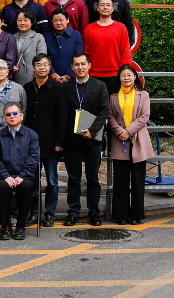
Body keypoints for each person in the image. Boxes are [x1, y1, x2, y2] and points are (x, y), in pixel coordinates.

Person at [63, 53, 110, 227]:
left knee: (93, 178)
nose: (80, 67)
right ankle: (73, 212)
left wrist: (92, 130)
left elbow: (104, 111)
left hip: (93, 139)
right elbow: (62, 113)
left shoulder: (100, 86)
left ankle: (94, 213)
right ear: (72, 67)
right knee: (73, 178)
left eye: (83, 64)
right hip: (72, 140)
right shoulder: (66, 87)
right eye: (77, 64)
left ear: (89, 65)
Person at [24, 54, 67, 227]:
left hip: (51, 143)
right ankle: (34, 213)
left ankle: (50, 213)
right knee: (32, 181)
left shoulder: (58, 88)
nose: (42, 67)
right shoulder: (27, 88)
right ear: (33, 67)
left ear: (50, 67)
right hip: (30, 144)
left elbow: (63, 117)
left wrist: (59, 142)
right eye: (38, 64)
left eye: (45, 64)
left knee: (52, 181)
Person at [108, 64, 154, 225]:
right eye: (123, 75)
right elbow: (110, 116)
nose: (126, 78)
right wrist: (120, 131)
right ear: (119, 78)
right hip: (119, 140)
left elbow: (145, 116)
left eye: (129, 75)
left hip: (138, 140)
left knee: (137, 181)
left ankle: (136, 215)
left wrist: (128, 131)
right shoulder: (113, 96)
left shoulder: (144, 95)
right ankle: (121, 215)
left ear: (135, 77)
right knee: (120, 180)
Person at [0, 102, 41, 241]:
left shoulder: (31, 135)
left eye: (15, 113)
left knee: (25, 187)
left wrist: (21, 176)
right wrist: (6, 176)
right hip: (5, 176)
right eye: (8, 114)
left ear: (21, 116)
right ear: (4, 118)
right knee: (0, 187)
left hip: (25, 176)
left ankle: (21, 225)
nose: (12, 116)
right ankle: (5, 225)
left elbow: (34, 157)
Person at [83, 0, 131, 93]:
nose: (105, 7)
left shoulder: (121, 28)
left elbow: (126, 52)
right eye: (102, 5)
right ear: (97, 8)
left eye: (108, 5)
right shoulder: (89, 29)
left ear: (113, 8)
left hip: (115, 74)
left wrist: (124, 71)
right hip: (94, 74)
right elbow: (86, 53)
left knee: (114, 102)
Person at [44, 10, 82, 84]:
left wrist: (68, 75)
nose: (58, 23)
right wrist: (54, 74)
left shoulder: (76, 35)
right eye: (55, 20)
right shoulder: (47, 37)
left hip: (72, 77)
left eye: (61, 20)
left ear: (67, 20)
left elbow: (78, 56)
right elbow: (45, 57)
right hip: (52, 78)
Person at [13, 11, 46, 85]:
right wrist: (12, 67)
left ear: (31, 22)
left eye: (25, 20)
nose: (22, 23)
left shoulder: (38, 37)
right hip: (17, 77)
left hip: (33, 77)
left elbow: (42, 58)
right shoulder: (12, 37)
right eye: (20, 20)